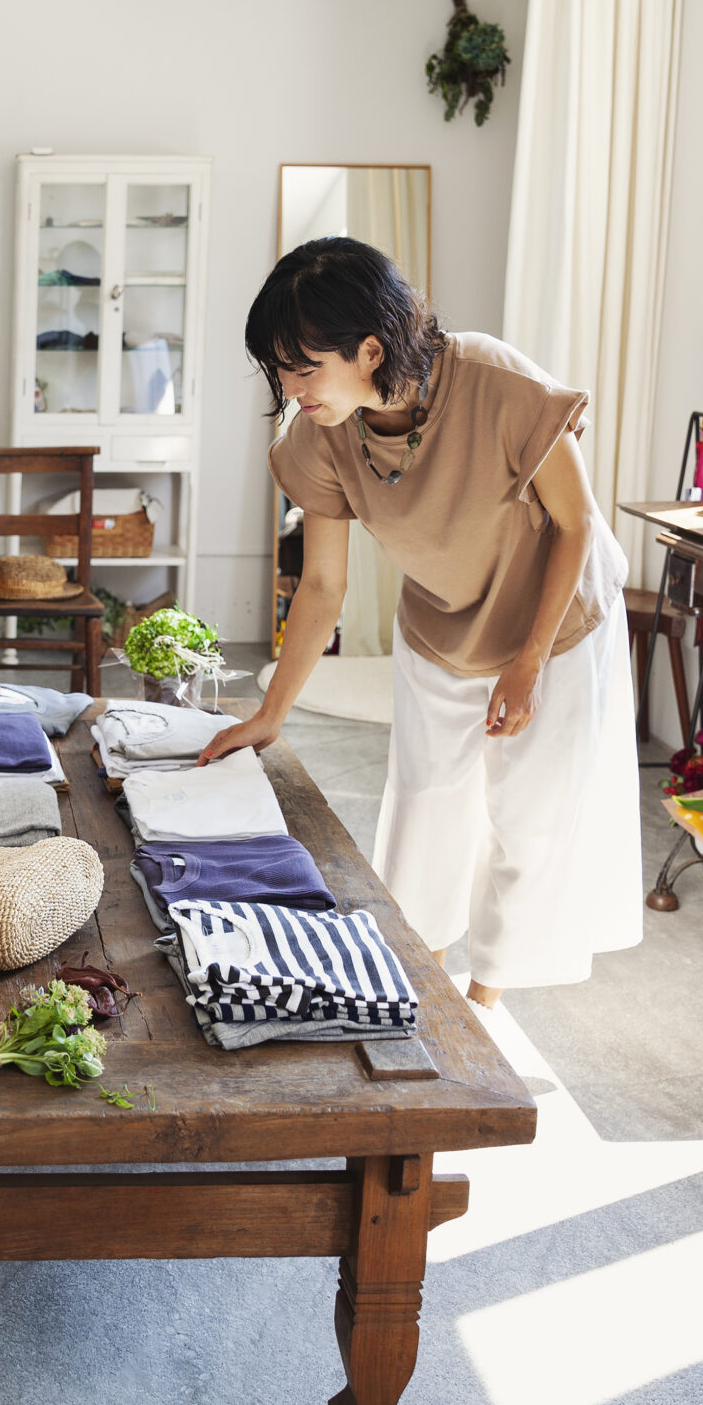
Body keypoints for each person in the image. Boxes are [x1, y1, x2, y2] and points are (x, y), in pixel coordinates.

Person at [198, 237, 642, 1006]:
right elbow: (323, 585)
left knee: (528, 824)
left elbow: (577, 523)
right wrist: (272, 713)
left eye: (304, 367)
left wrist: (529, 661)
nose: (290, 387)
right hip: (443, 620)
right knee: (425, 811)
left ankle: (482, 1013)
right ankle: (420, 992)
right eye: (279, 369)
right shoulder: (321, 433)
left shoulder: (499, 384)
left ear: (369, 349)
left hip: (555, 620)